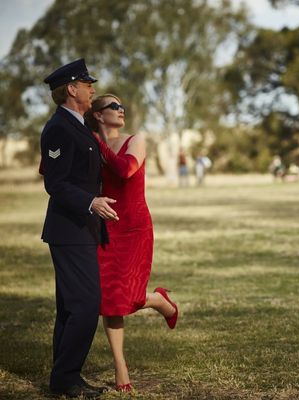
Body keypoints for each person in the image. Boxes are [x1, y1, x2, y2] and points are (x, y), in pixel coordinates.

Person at [84, 94, 179, 392]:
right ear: (98, 115)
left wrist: (97, 144)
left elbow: (125, 171)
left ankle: (160, 301)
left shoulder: (135, 140)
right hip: (106, 227)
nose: (121, 109)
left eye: (122, 105)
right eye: (113, 106)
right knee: (110, 299)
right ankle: (120, 367)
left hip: (135, 227)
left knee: (131, 296)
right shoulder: (90, 144)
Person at [39, 58, 117, 399]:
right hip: (69, 229)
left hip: (81, 229)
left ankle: (64, 378)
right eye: (87, 84)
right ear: (72, 89)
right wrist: (91, 202)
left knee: (71, 307)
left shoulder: (79, 125)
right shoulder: (58, 127)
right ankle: (66, 379)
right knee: (86, 305)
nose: (92, 89)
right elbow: (55, 183)